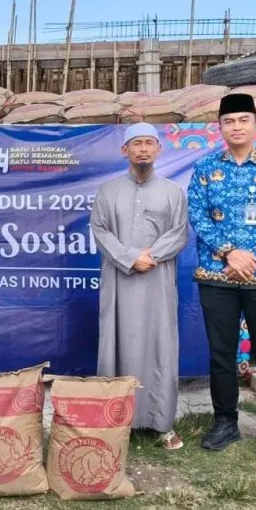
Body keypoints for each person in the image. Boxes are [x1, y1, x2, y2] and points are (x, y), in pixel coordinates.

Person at [187, 92, 256, 462]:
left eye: (243, 120)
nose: (236, 127)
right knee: (221, 353)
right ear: (219, 127)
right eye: (229, 121)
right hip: (217, 273)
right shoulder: (205, 168)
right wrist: (228, 253)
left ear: (255, 124)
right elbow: (198, 215)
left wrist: (252, 257)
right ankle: (225, 421)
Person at [91, 122, 190, 450]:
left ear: (159, 149)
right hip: (120, 280)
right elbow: (100, 230)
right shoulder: (107, 191)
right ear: (125, 150)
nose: (143, 149)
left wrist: (152, 256)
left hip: (157, 283)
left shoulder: (173, 192)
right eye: (137, 143)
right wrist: (131, 257)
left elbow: (179, 233)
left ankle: (162, 423)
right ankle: (115, 421)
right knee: (116, 346)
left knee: (160, 345)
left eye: (149, 143)